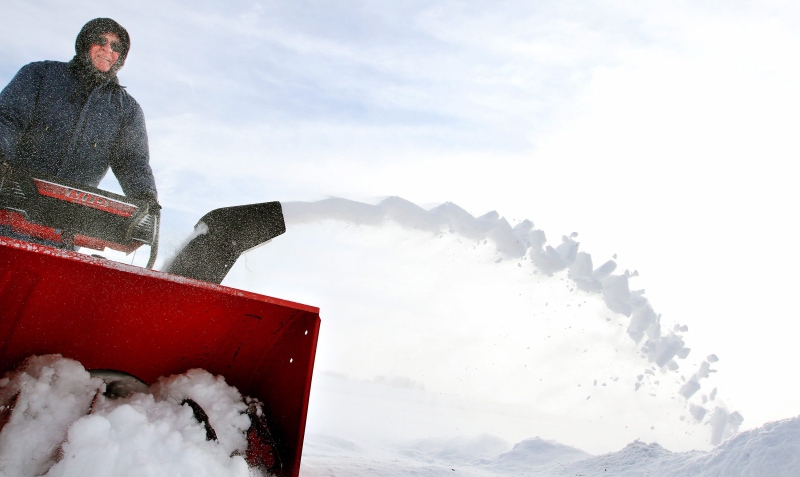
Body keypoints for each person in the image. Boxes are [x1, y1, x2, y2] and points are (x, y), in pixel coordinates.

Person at [0, 18, 159, 213]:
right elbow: (7, 119)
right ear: (85, 43)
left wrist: (146, 198)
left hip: (68, 220)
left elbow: (132, 163)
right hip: (11, 201)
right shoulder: (40, 75)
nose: (107, 49)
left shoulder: (126, 110)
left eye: (116, 46)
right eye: (100, 41)